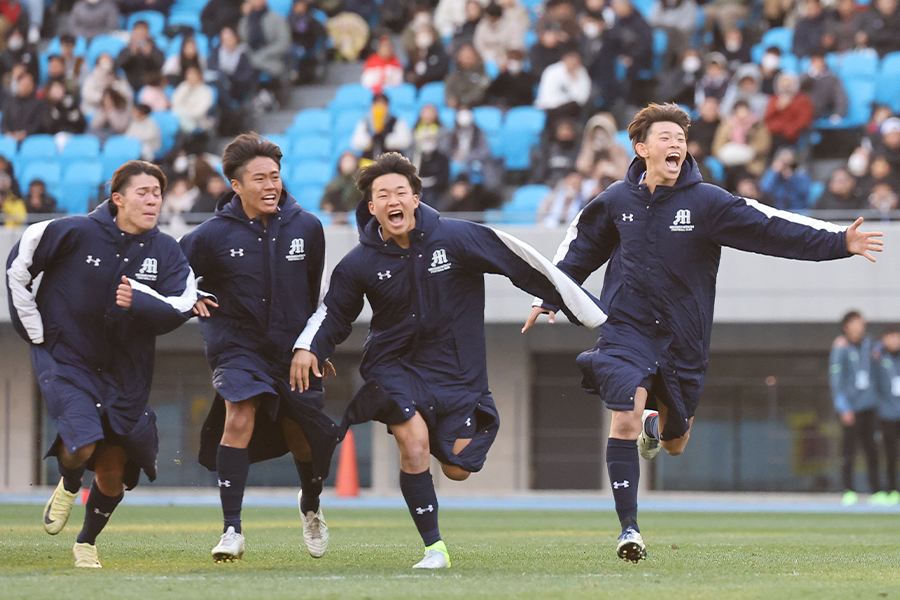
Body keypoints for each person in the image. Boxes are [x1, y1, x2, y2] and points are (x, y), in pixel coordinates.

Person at [522, 103, 883, 562]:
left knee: (675, 444)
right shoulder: (615, 200)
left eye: (681, 138)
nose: (676, 144)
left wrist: (838, 241)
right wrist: (548, 295)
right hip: (626, 329)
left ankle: (656, 427)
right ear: (642, 149)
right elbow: (579, 248)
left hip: (683, 339)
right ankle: (629, 529)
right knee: (624, 414)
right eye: (666, 137)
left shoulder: (708, 202)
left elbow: (771, 228)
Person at [291, 152, 606, 569]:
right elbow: (333, 313)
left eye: (400, 192)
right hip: (394, 368)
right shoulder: (359, 263)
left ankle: (439, 454)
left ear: (415, 198)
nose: (392, 200)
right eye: (382, 195)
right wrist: (309, 347)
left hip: (457, 371)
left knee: (458, 468)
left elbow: (519, 260)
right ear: (371, 207)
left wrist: (571, 305)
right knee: (413, 443)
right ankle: (434, 548)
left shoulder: (456, 237)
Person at [6, 160, 197, 568]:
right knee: (83, 442)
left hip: (128, 371)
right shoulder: (73, 231)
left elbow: (183, 304)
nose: (153, 200)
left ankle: (86, 542)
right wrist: (32, 328)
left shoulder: (167, 250)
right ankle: (70, 482)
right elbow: (19, 263)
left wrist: (140, 300)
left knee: (112, 470)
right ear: (118, 198)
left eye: (157, 193)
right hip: (67, 358)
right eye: (143, 192)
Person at [179, 133, 341, 563]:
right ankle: (231, 529)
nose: (271, 185)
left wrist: (316, 348)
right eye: (259, 179)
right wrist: (189, 297)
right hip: (237, 349)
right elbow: (174, 277)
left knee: (303, 440)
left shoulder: (308, 227)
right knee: (239, 414)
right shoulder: (209, 235)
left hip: (294, 353)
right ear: (235, 185)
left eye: (275, 176)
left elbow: (314, 296)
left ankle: (310, 504)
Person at [829, 311, 884, 505]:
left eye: (862, 323)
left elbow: (886, 347)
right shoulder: (841, 348)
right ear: (847, 326)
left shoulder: (871, 344)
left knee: (872, 450)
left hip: (870, 406)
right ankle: (848, 490)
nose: (861, 327)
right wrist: (843, 407)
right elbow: (836, 380)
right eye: (856, 323)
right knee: (849, 451)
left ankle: (876, 490)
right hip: (851, 408)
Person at [873, 325, 900, 505]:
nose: (894, 340)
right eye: (890, 337)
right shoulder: (878, 357)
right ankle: (892, 489)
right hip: (888, 413)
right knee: (891, 454)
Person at [351, 93, 414, 160]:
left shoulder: (396, 121)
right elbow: (356, 142)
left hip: (390, 160)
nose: (380, 107)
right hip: (370, 160)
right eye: (377, 104)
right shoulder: (365, 122)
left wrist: (385, 140)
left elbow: (405, 141)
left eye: (383, 104)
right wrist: (371, 140)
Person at [116, 20, 166, 92]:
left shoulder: (155, 50)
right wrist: (131, 53)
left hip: (149, 83)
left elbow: (160, 65)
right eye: (138, 32)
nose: (141, 36)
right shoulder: (126, 50)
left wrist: (149, 54)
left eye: (143, 32)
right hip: (130, 83)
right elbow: (120, 65)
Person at [1, 70, 44, 142]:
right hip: (10, 139)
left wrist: (24, 133)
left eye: (28, 85)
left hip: (30, 139)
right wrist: (8, 133)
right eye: (23, 84)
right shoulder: (9, 102)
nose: (25, 87)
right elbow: (4, 122)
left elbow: (37, 124)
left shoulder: (38, 104)